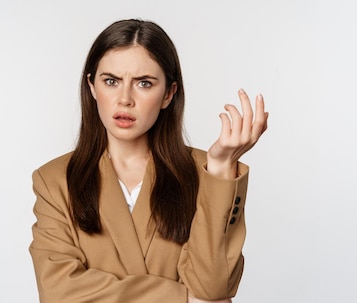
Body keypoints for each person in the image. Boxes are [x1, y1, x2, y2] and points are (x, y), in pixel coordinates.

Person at [29, 19, 268, 303]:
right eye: (111, 81)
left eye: (144, 83)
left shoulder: (205, 173)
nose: (125, 99)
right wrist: (182, 298)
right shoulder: (54, 179)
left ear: (168, 94)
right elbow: (58, 292)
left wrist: (220, 169)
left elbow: (214, 288)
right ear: (92, 86)